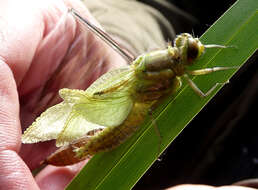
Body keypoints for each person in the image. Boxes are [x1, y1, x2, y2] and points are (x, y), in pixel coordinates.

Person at [0, 0, 255, 189]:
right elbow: (165, 5)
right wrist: (114, 41)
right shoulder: (171, 69)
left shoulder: (169, 70)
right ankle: (80, 148)